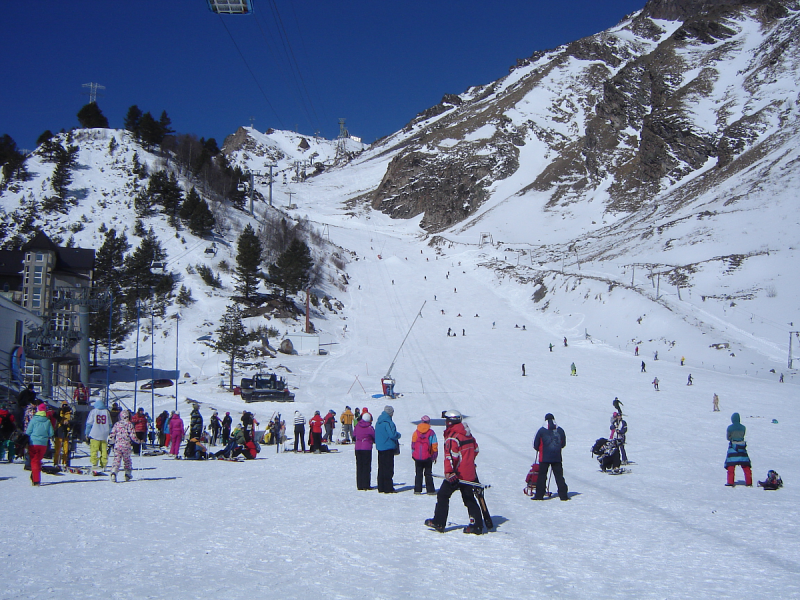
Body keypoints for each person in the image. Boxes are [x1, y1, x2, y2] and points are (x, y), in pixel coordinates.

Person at [424, 410, 484, 534]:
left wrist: (450, 472)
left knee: (443, 495)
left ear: (450, 422)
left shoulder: (452, 437)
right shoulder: (467, 434)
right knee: (468, 498)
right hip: (469, 473)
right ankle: (477, 524)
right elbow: (476, 449)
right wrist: (468, 462)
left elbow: (450, 457)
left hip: (457, 475)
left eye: (446, 421)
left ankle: (439, 522)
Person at [532, 413, 569, 501]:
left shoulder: (541, 430)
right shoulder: (560, 430)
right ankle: (563, 495)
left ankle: (539, 495)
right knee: (559, 476)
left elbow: (536, 445)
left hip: (544, 457)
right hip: (557, 457)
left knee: (542, 476)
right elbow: (563, 444)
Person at [25, 403, 53, 486]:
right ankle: (35, 474)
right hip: (43, 444)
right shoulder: (47, 421)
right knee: (38, 460)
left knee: (34, 461)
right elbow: (51, 433)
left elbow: (28, 432)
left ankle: (36, 480)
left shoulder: (34, 420)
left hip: (33, 443)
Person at [375, 405, 401, 493]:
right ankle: (388, 487)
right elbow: (392, 435)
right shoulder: (388, 422)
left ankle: (381, 486)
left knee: (381, 467)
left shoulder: (378, 422)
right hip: (388, 447)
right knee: (388, 468)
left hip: (380, 447)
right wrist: (398, 435)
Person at [108, 409, 140, 482]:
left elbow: (112, 434)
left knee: (117, 459)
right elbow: (133, 436)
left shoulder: (117, 424)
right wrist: (138, 441)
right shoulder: (129, 424)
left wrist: (111, 442)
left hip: (117, 445)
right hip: (126, 446)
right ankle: (127, 473)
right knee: (127, 460)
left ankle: (114, 472)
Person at [411, 415, 438, 494]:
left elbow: (413, 444)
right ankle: (430, 490)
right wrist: (434, 455)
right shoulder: (431, 432)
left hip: (418, 456)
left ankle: (417, 490)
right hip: (428, 456)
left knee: (418, 473)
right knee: (428, 473)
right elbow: (434, 445)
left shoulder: (416, 432)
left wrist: (413, 453)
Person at [85, 399, 112, 475]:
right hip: (104, 435)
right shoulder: (106, 412)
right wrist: (109, 432)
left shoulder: (93, 411)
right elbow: (110, 424)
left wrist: (87, 433)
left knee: (94, 450)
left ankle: (94, 464)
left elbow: (89, 423)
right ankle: (104, 465)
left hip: (95, 434)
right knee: (104, 451)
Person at [725, 413, 752, 487]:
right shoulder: (743, 427)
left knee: (731, 465)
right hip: (742, 447)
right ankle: (749, 482)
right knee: (746, 465)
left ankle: (730, 482)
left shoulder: (730, 428)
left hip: (733, 448)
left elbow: (728, 437)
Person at [354, 412, 375, 490]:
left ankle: (359, 484)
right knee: (366, 467)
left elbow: (354, 434)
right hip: (366, 448)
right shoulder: (369, 428)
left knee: (359, 466)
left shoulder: (357, 426)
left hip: (358, 448)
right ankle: (366, 484)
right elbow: (374, 436)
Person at [53, 403, 73, 467]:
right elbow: (55, 416)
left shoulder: (70, 413)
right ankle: (56, 462)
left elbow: (74, 421)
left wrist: (68, 422)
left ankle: (64, 462)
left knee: (66, 449)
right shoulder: (59, 412)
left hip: (66, 432)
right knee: (57, 449)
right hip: (59, 431)